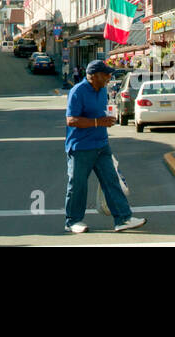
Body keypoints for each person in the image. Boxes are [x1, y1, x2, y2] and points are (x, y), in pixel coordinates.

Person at [63, 59, 146, 233]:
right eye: (106, 74)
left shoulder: (102, 90)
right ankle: (72, 221)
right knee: (78, 185)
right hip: (80, 147)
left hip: (101, 144)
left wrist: (107, 120)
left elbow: (100, 114)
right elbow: (71, 120)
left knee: (112, 182)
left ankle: (123, 219)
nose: (109, 76)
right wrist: (97, 122)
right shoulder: (77, 91)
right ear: (93, 76)